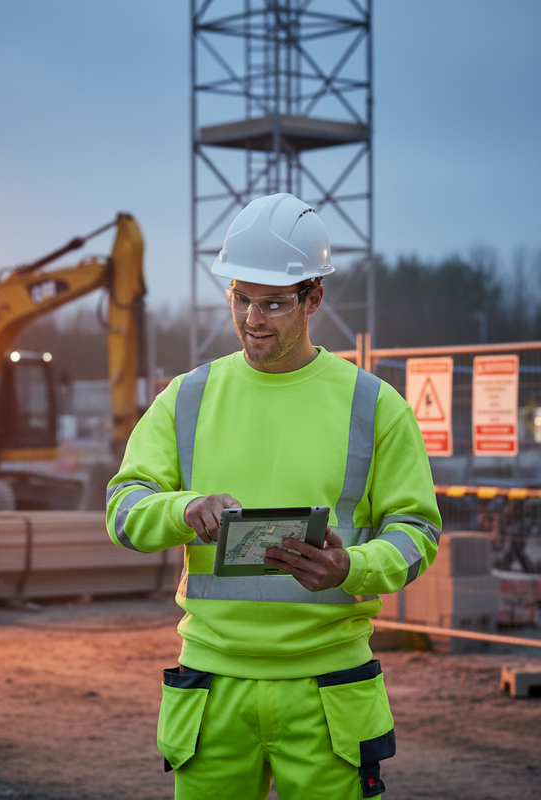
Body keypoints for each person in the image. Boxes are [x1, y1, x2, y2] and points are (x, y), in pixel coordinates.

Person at [106, 193, 441, 800]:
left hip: (328, 685)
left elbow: (419, 533)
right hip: (214, 683)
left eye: (274, 303)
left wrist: (352, 565)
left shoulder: (373, 406)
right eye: (241, 299)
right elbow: (123, 509)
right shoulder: (188, 398)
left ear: (314, 298)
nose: (253, 319)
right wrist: (183, 511)